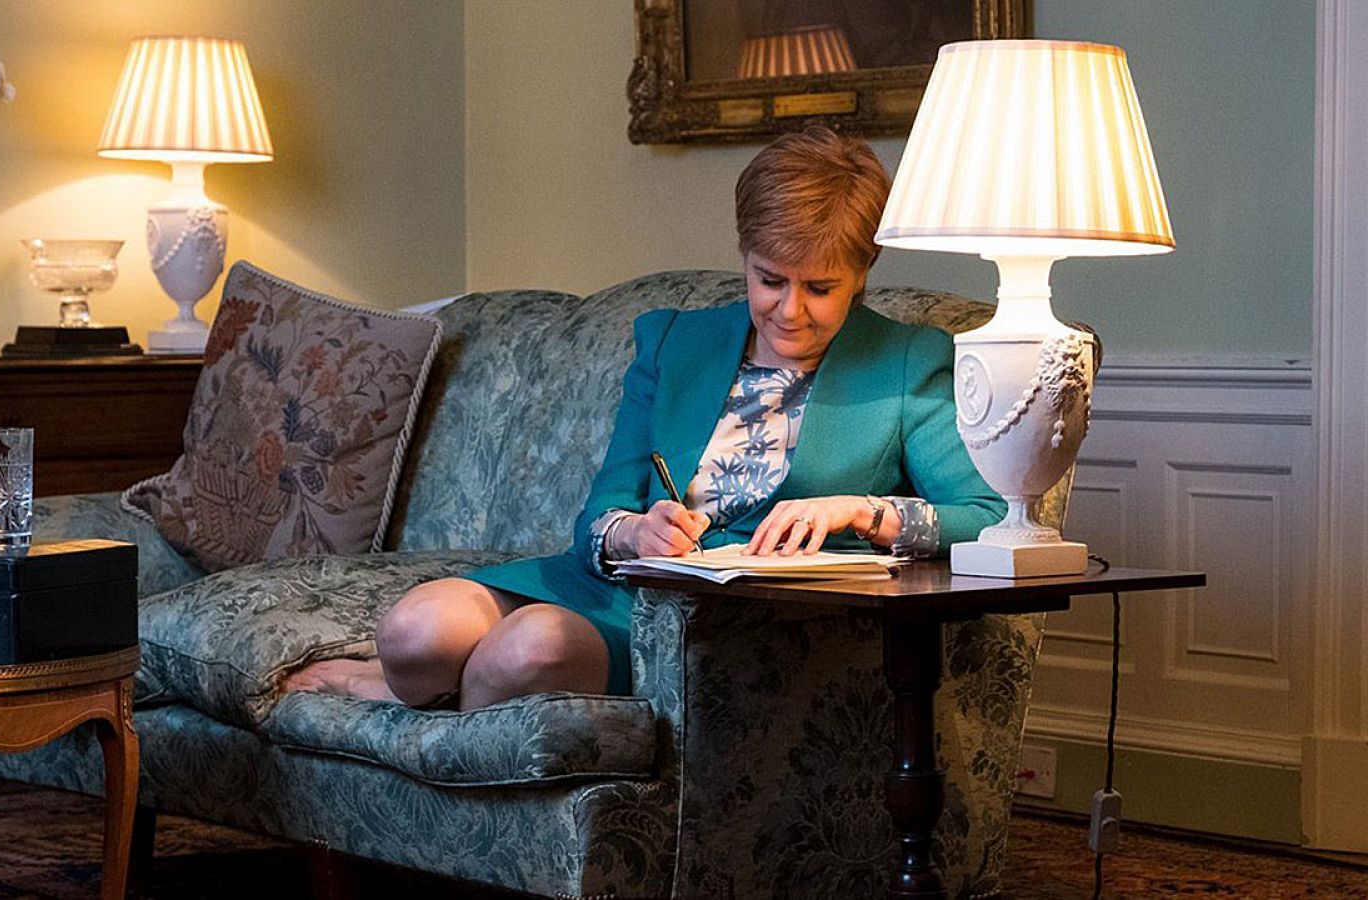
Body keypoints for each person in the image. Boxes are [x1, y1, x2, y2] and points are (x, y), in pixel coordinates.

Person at [285, 126, 1005, 709]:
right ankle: (405, 685)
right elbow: (603, 508)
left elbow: (987, 516)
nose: (790, 310)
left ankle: (424, 720)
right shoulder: (674, 341)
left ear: (863, 268)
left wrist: (862, 511)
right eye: (769, 279)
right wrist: (632, 529)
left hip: (717, 621)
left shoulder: (908, 359)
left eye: (821, 287)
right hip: (622, 579)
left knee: (527, 649)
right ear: (744, 257)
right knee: (415, 629)